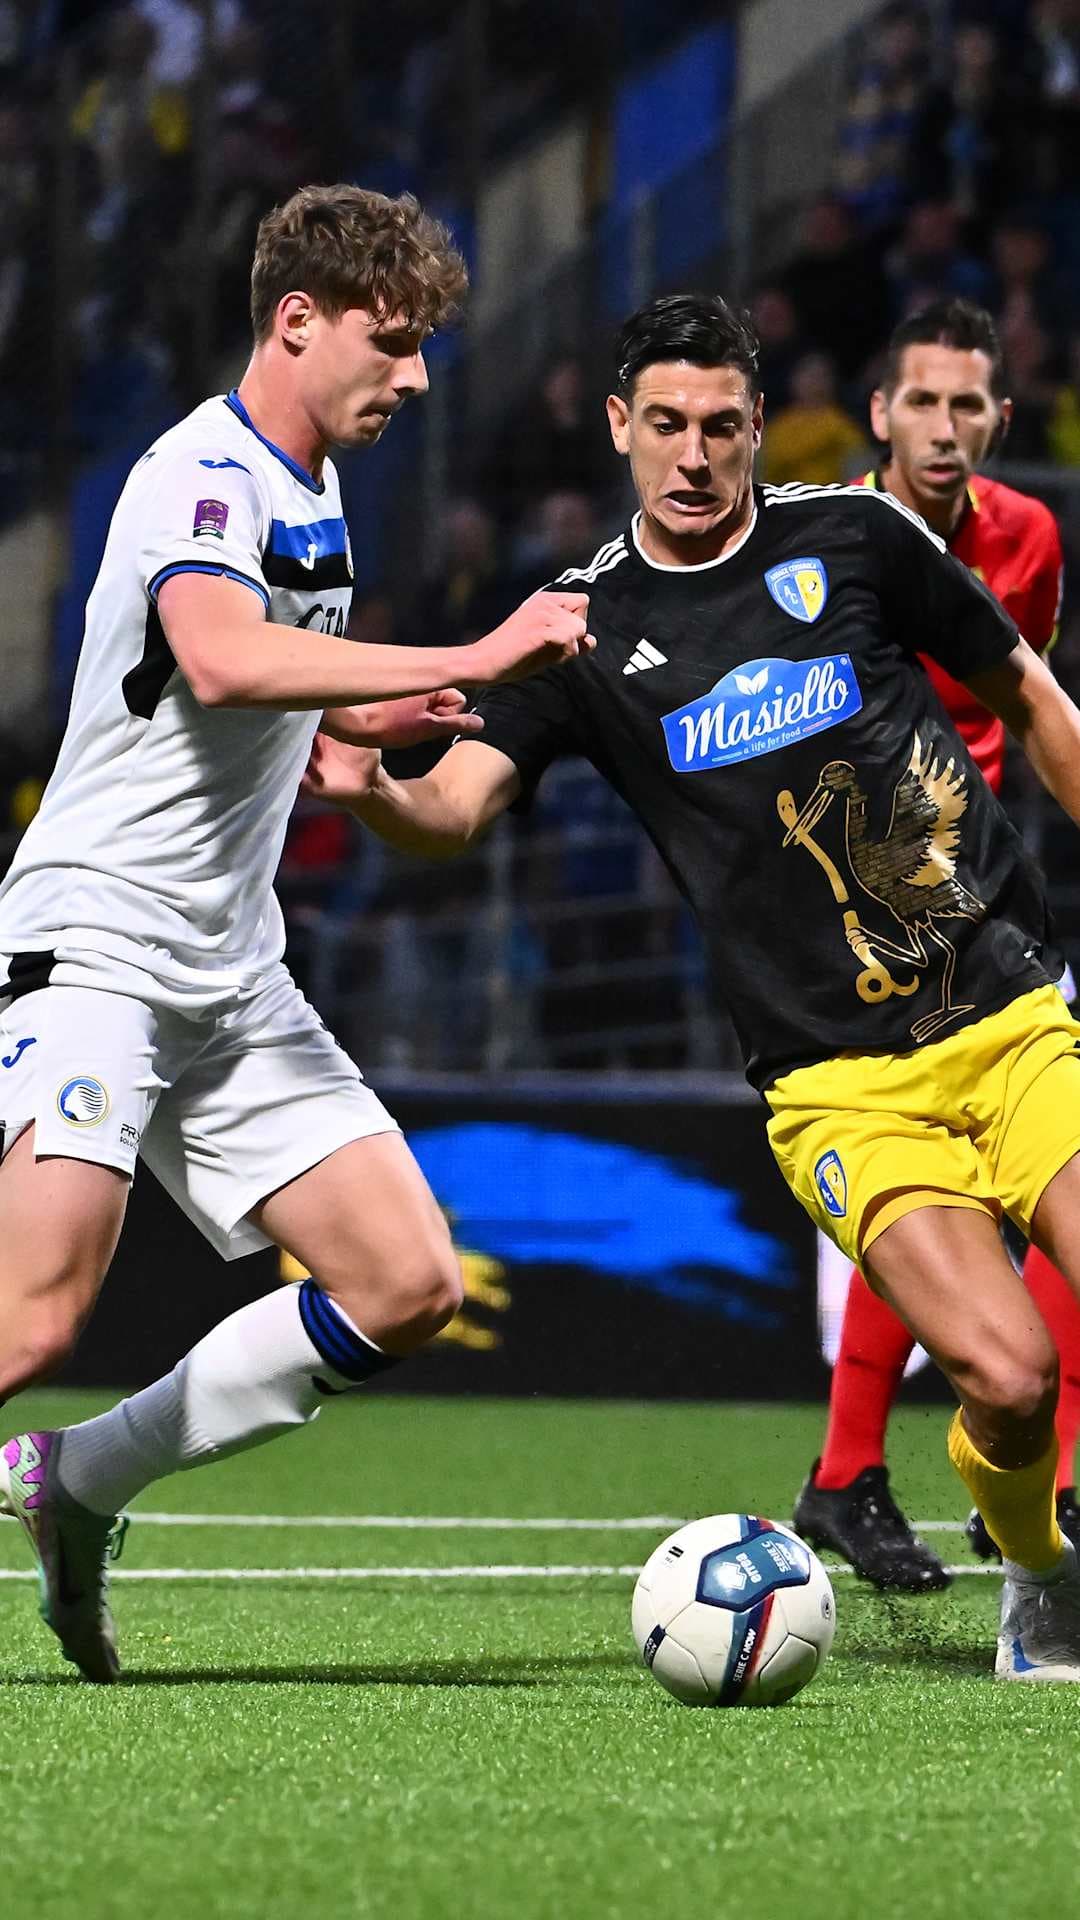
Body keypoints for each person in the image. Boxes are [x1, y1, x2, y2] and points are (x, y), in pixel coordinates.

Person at [311, 290, 1080, 1682]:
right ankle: (1038, 1567)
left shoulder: (857, 538)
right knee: (1013, 1378)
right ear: (619, 426)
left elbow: (1028, 694)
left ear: (760, 425)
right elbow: (456, 810)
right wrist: (373, 791)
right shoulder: (578, 629)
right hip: (839, 1082)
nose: (695, 453)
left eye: (723, 425)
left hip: (1010, 1010)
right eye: (665, 422)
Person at [0, 182, 592, 1683]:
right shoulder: (199, 469)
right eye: (394, 342)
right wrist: (478, 650)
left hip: (229, 968)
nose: (419, 376)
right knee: (33, 1315)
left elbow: (237, 684)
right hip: (98, 945)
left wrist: (359, 720)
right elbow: (213, 651)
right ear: (297, 320)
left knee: (408, 1283)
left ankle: (82, 1481)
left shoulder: (314, 483)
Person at [791, 298, 1073, 1591]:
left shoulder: (1029, 539)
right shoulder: (821, 545)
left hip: (990, 908)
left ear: (1001, 420)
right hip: (859, 915)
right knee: (931, 1198)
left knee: (1056, 1183)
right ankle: (852, 1471)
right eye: (923, 402)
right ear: (880, 416)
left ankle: (1039, 1480)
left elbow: (1028, 695)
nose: (945, 427)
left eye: (969, 405)